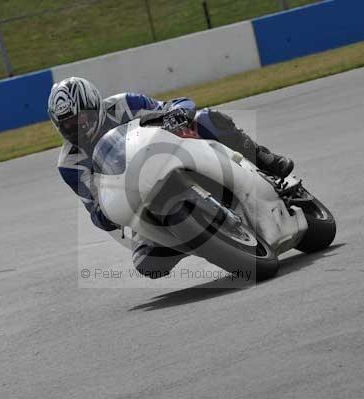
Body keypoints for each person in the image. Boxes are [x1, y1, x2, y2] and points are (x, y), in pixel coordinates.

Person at [48, 77, 294, 279]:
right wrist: (106, 213)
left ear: (94, 105)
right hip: (136, 196)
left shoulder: (123, 104)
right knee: (148, 265)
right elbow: (93, 207)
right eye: (66, 126)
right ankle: (203, 240)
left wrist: (176, 114)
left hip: (171, 154)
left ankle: (264, 159)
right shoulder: (69, 163)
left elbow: (178, 104)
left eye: (79, 119)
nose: (74, 129)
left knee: (206, 118)